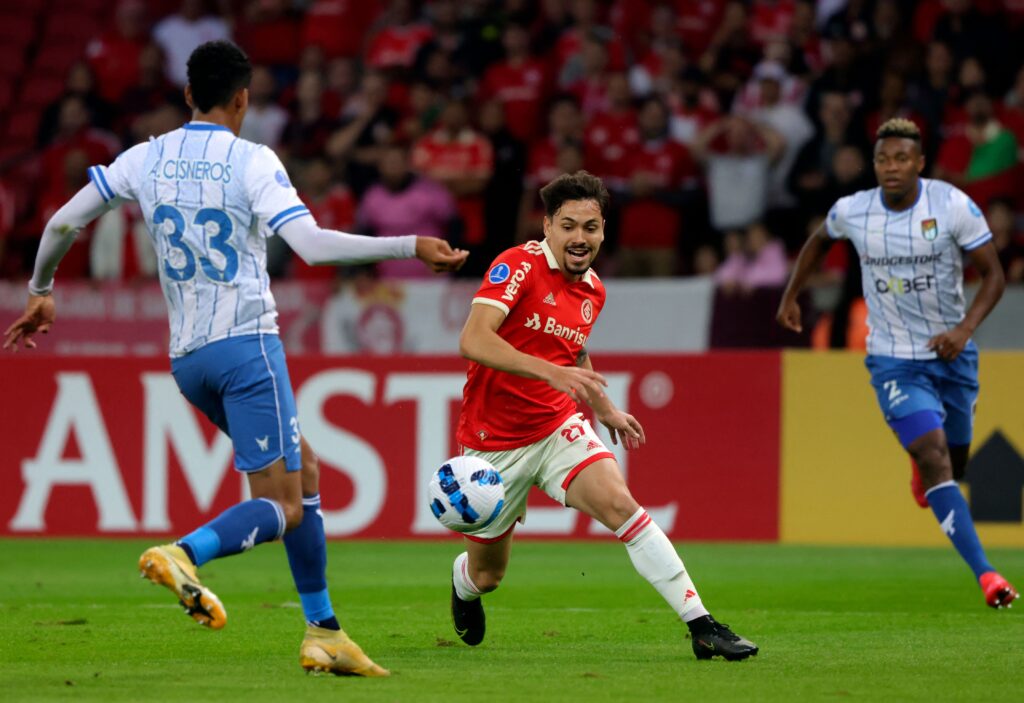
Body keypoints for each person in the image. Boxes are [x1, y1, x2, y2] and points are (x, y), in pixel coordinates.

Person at [3, 40, 467, 675]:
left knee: (301, 470)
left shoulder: (146, 156)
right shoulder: (252, 160)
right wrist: (409, 245)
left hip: (189, 359)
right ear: (243, 99)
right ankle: (184, 552)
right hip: (248, 346)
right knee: (284, 505)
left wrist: (41, 292)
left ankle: (323, 630)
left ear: (189, 95)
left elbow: (61, 223)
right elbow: (312, 247)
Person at [447, 170, 758, 661]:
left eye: (590, 228)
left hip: (555, 427)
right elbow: (474, 339)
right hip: (492, 441)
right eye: (568, 225)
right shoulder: (518, 265)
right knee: (488, 575)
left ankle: (701, 625)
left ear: (604, 232)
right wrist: (549, 372)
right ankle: (462, 585)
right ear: (547, 226)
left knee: (622, 506)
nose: (579, 238)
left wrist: (605, 408)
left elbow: (573, 350)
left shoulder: (594, 289)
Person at [776, 118, 1018, 609]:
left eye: (902, 159)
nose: (892, 167)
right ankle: (987, 574)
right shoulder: (855, 210)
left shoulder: (952, 206)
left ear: (920, 164)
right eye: (884, 159)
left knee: (954, 459)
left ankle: (922, 465)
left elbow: (994, 275)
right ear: (875, 165)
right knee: (934, 454)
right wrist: (792, 293)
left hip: (953, 355)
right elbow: (820, 238)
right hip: (892, 359)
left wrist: (964, 330)